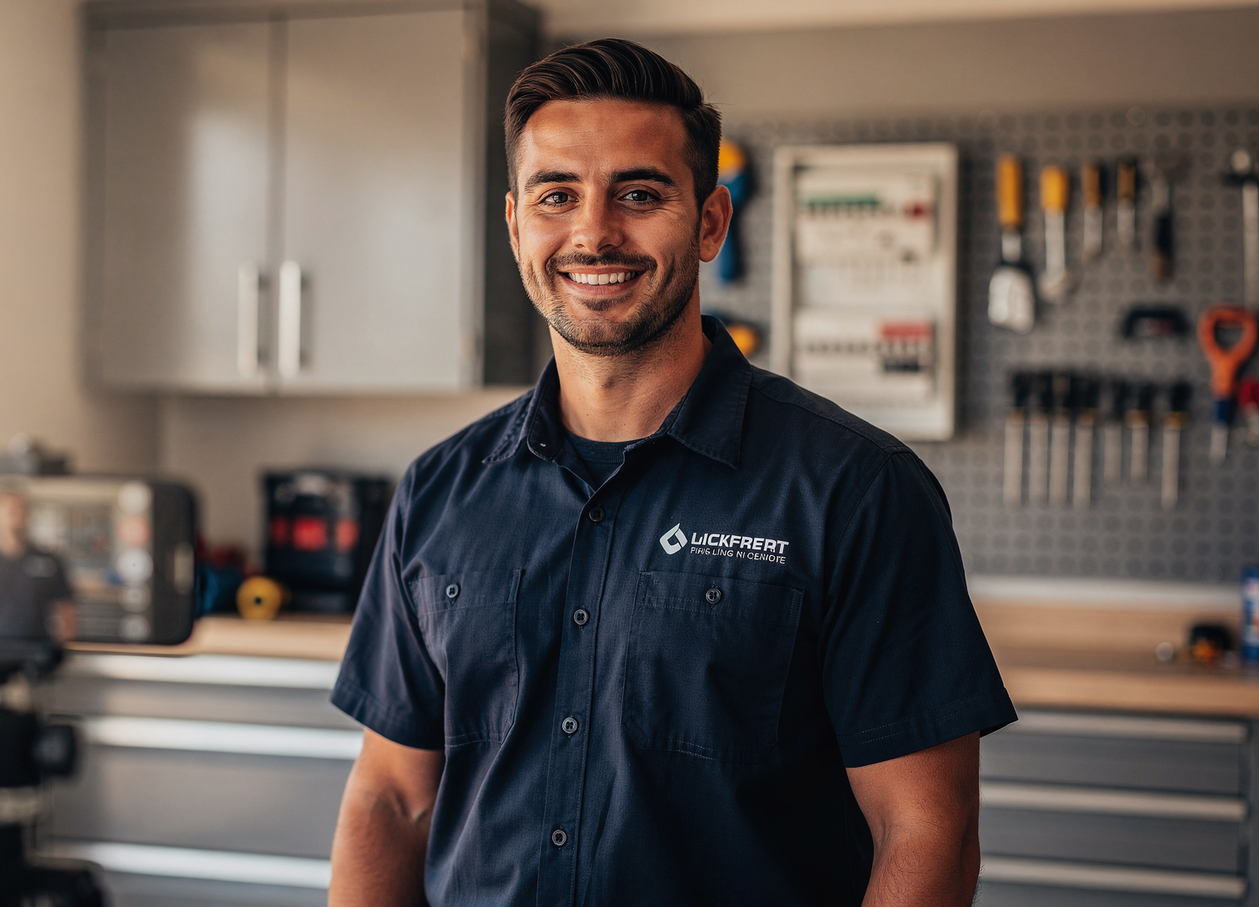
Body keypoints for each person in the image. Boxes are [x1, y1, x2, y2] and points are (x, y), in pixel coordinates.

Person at [327, 38, 1016, 907]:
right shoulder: (439, 492)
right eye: (557, 196)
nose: (593, 232)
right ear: (515, 226)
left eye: (640, 193)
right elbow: (390, 798)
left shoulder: (856, 489)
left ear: (711, 223)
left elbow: (927, 834)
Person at [0, 491, 77, 643]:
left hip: (36, 654)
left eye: (19, 510)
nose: (13, 517)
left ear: (27, 515)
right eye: (8, 512)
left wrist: (61, 650)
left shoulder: (49, 561)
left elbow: (66, 611)